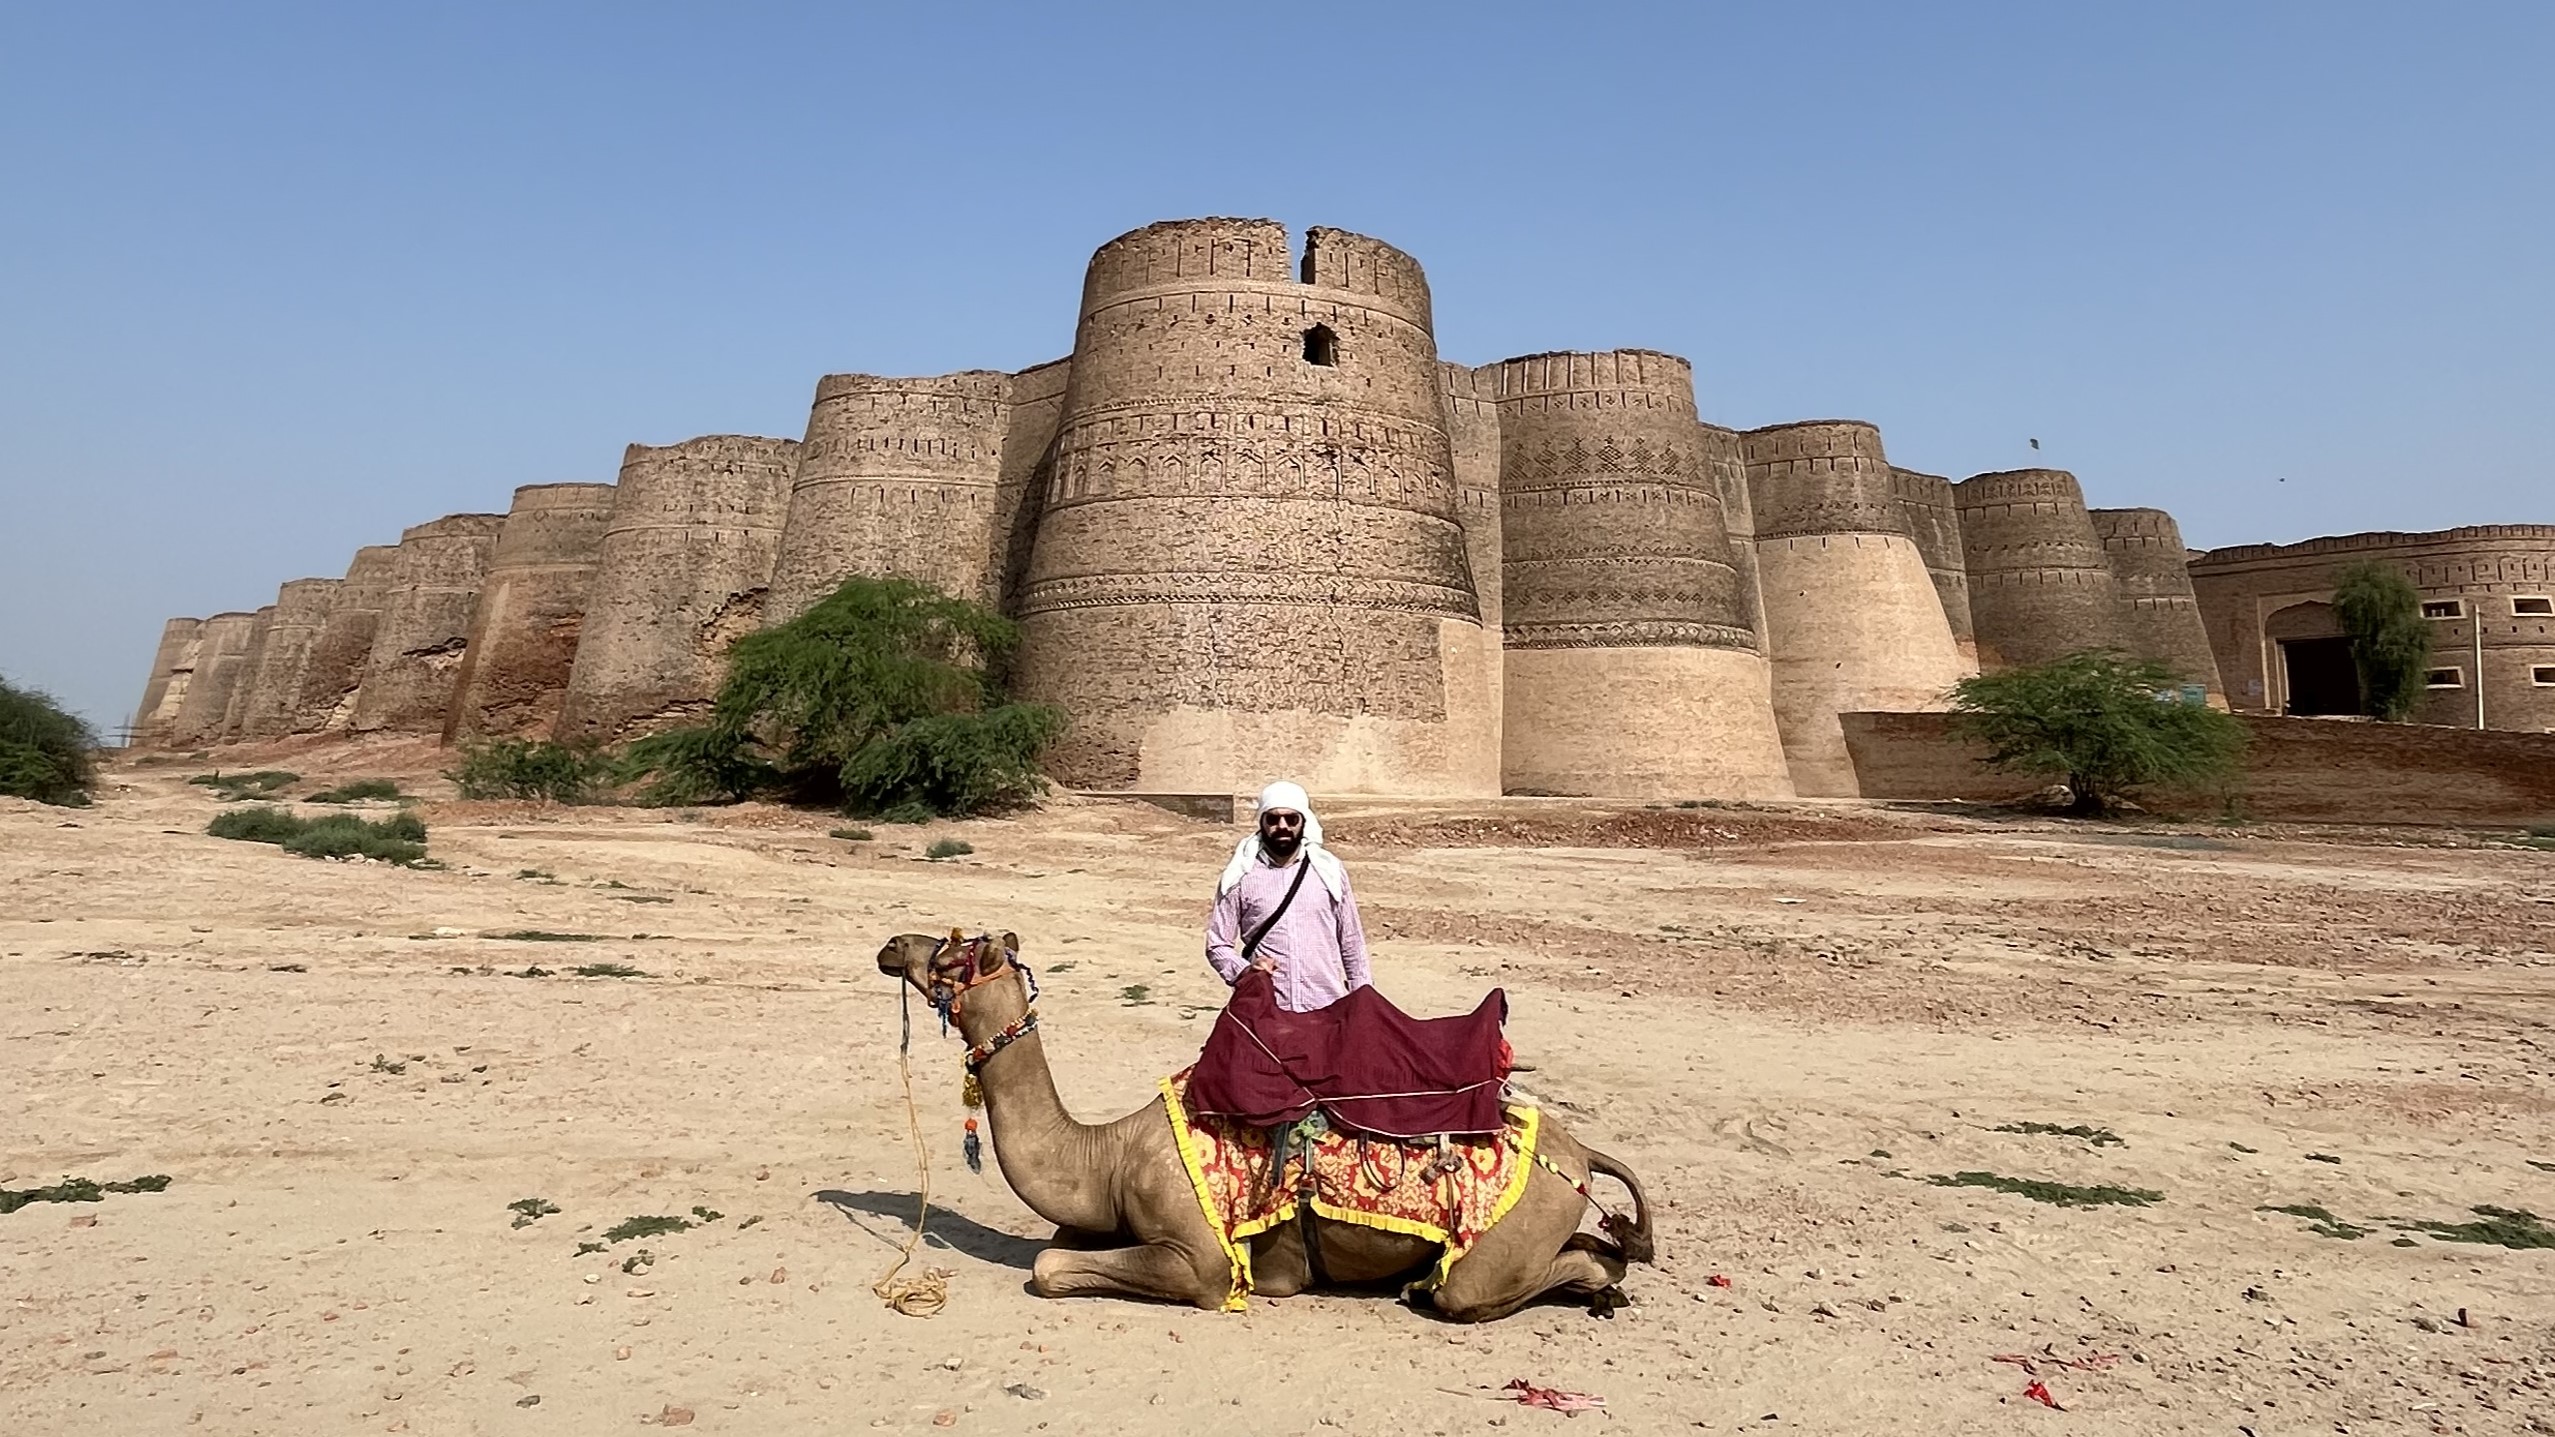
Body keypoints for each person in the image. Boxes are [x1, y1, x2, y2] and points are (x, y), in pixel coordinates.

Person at [1204, 781, 1370, 1013]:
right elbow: (1217, 945)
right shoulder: (1240, 876)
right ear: (1261, 821)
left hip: (1326, 1006)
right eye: (1272, 819)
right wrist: (1245, 970)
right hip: (1266, 1010)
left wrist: (1363, 996)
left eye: (1291, 819)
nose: (1282, 826)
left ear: (1304, 821)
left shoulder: (1329, 872)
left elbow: (1351, 942)